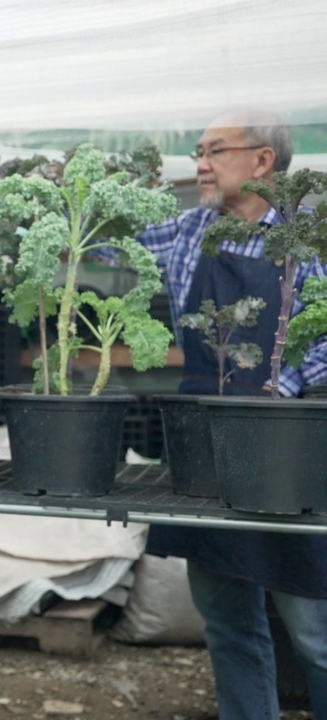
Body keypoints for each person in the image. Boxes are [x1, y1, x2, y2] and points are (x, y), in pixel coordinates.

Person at [138, 111, 327, 718]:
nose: (200, 163)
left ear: (264, 161)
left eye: (215, 150)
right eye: (197, 150)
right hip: (206, 452)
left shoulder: (310, 235)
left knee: (314, 634)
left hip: (288, 453)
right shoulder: (187, 231)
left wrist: (279, 389)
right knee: (226, 623)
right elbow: (106, 235)